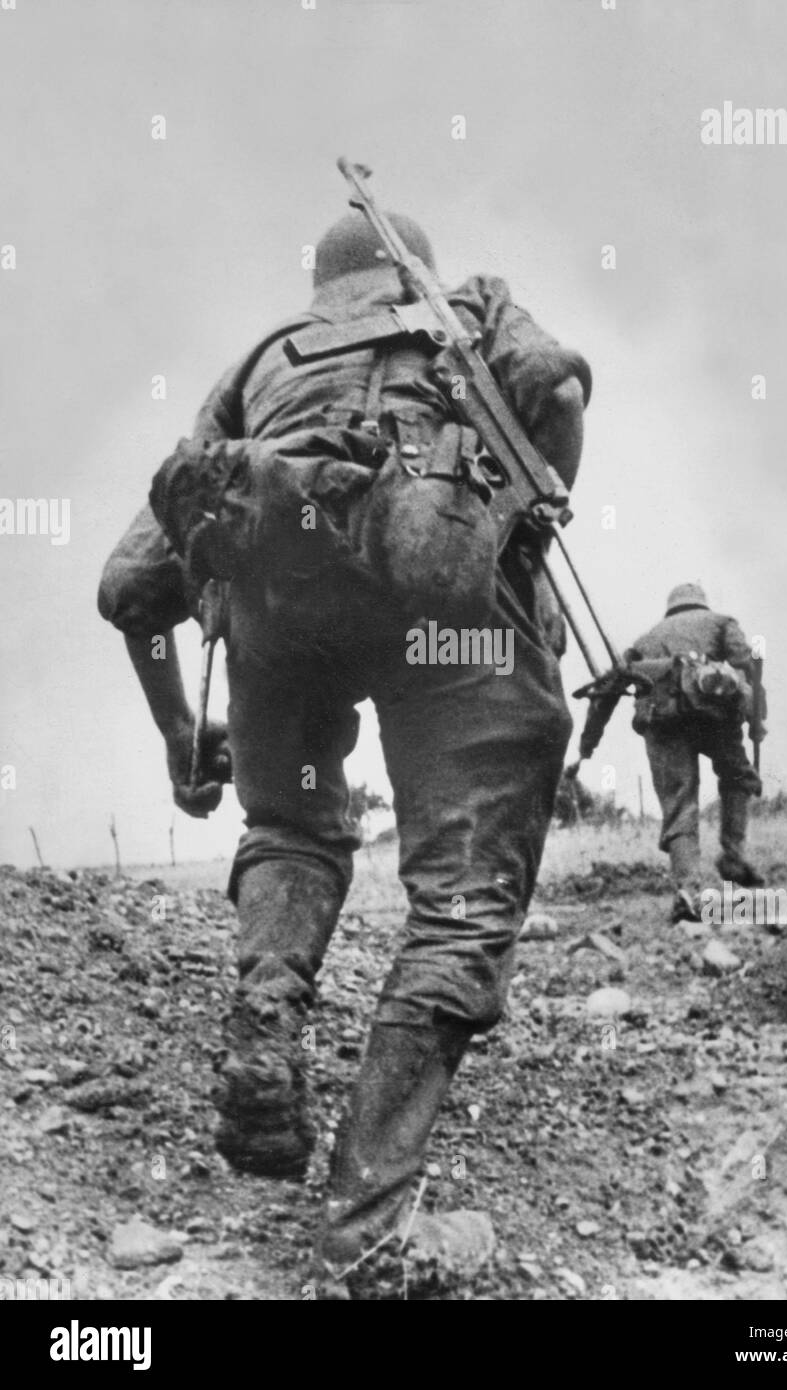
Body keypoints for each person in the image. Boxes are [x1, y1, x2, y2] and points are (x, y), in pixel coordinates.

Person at [98, 208, 590, 1293]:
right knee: (457, 908)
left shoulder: (261, 364)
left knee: (291, 829)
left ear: (320, 283)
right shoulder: (466, 309)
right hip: (442, 614)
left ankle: (268, 1014)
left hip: (277, 616)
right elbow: (552, 390)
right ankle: (364, 1236)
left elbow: (130, 587)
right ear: (405, 262)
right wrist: (525, 518)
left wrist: (185, 731)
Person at [626, 582, 764, 923]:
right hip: (714, 716)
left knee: (679, 802)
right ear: (702, 603)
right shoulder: (722, 623)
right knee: (738, 778)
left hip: (663, 724)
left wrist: (587, 747)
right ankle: (732, 856)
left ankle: (688, 891)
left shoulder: (644, 640)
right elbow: (747, 668)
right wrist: (756, 720)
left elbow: (612, 686)